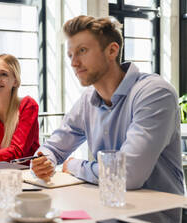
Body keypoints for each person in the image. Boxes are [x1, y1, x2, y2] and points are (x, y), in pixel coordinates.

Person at [32, 15, 185, 195]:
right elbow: (53, 148)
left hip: (153, 218)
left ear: (112, 51)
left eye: (82, 51)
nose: (74, 63)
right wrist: (44, 161)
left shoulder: (155, 93)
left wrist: (74, 165)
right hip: (104, 210)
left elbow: (128, 175)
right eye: (70, 55)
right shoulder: (87, 100)